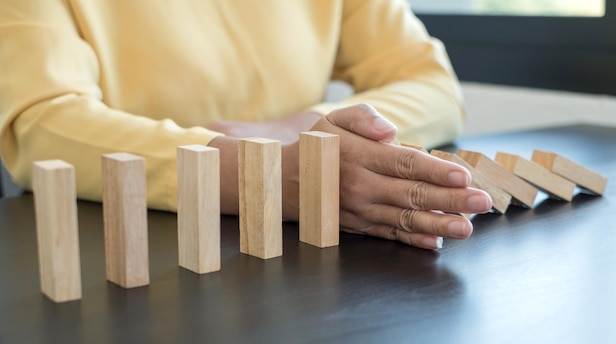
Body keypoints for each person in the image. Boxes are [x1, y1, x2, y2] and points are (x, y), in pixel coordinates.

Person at [0, 0, 492, 250]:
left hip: (307, 259)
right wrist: (264, 175)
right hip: (129, 246)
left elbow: (431, 83)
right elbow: (40, 122)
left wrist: (304, 129)